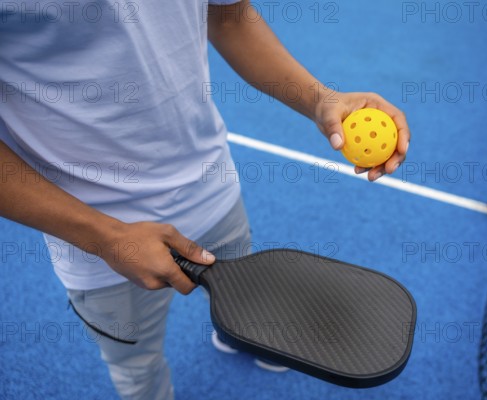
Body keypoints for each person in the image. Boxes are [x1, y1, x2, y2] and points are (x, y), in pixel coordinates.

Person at [0, 0, 410, 398]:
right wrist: (105, 236)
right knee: (136, 365)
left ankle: (244, 339)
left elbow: (229, 18)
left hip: (214, 188)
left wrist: (321, 98)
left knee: (253, 306)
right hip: (96, 242)